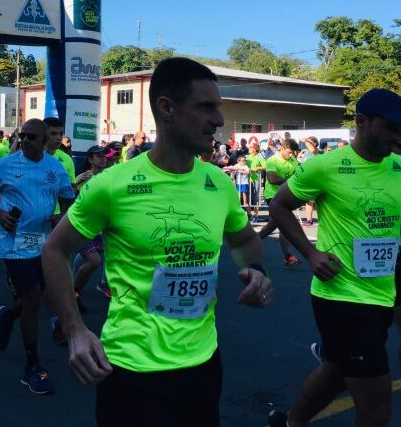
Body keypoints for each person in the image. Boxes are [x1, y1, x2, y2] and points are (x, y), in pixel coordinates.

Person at [43, 57, 273, 426]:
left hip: (202, 362)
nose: (218, 120)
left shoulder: (219, 183)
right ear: (166, 108)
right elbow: (55, 249)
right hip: (131, 369)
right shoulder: (112, 185)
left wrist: (256, 268)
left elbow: (243, 238)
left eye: (219, 108)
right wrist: (74, 330)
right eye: (205, 108)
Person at [267, 89, 401, 427]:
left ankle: (289, 422)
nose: (399, 136)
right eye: (390, 127)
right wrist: (311, 253)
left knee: (334, 374)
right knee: (377, 409)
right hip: (341, 296)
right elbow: (279, 206)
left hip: (383, 291)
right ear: (361, 122)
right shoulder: (325, 166)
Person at [0, 119, 75, 395]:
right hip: (15, 245)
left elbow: (69, 198)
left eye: (33, 137)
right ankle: (32, 365)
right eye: (24, 135)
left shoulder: (55, 166)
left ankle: (9, 315)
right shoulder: (6, 164)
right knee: (32, 298)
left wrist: (61, 217)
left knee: (37, 297)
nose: (27, 140)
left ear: (46, 142)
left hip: (46, 245)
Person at [70, 145, 110, 312]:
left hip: (99, 227)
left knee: (85, 260)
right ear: (90, 159)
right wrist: (76, 183)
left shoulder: (109, 176)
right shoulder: (85, 176)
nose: (103, 159)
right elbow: (68, 196)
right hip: (83, 226)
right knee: (94, 261)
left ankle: (73, 289)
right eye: (98, 156)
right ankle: (72, 293)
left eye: (104, 156)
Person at [258, 138, 301, 268]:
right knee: (280, 223)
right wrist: (291, 181)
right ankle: (288, 257)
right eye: (289, 152)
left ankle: (252, 243)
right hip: (272, 196)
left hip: (286, 196)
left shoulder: (293, 161)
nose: (292, 155)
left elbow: (298, 176)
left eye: (294, 153)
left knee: (277, 224)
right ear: (281, 148)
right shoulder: (272, 160)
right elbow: (272, 179)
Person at [299, 136, 320, 227]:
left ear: (314, 143)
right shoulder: (306, 151)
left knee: (316, 201)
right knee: (309, 201)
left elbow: (313, 150)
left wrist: (306, 140)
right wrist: (300, 154)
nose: (307, 143)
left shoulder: (316, 151)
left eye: (310, 141)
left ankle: (323, 219)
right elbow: (299, 160)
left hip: (314, 178)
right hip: (306, 177)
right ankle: (309, 220)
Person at [245, 142, 267, 221]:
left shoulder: (259, 157)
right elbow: (240, 165)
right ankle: (249, 214)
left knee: (256, 197)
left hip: (256, 179)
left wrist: (258, 168)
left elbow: (266, 166)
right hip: (246, 179)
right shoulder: (246, 157)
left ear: (255, 149)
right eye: (249, 147)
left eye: (251, 147)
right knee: (247, 197)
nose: (249, 149)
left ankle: (256, 215)